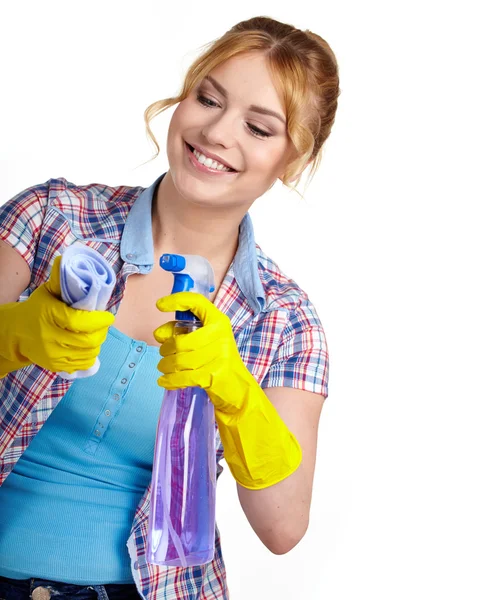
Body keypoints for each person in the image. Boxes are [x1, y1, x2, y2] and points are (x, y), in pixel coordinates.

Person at [0, 15, 340, 600]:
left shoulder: (285, 322)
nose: (216, 133)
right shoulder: (51, 219)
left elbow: (283, 528)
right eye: (208, 98)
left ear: (292, 160)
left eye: (259, 128)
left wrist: (236, 394)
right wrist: (13, 335)